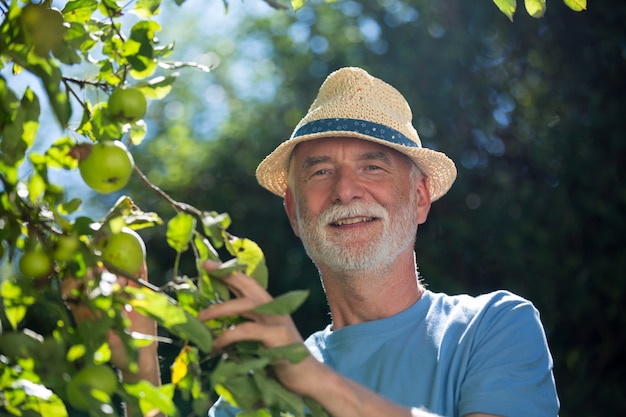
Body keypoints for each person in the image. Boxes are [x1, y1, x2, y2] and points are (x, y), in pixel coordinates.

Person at [125, 67, 559, 417]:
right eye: (320, 171)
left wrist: (317, 382)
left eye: (373, 167)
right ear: (294, 211)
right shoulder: (261, 384)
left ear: (421, 197)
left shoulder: (492, 327)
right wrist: (134, 351)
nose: (345, 190)